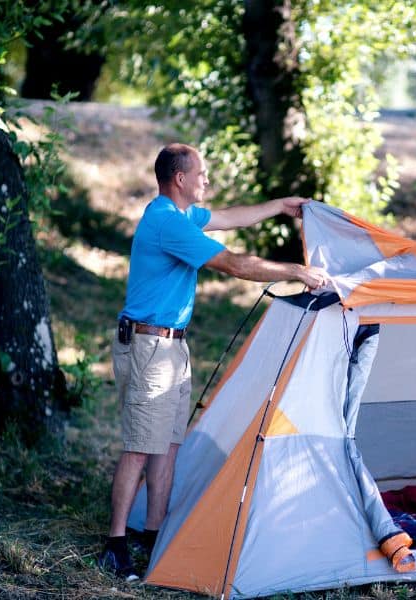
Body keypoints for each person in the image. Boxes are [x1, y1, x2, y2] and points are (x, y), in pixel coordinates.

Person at [98, 143, 328, 580]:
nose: (207, 180)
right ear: (180, 179)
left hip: (170, 348)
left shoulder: (185, 215)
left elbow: (231, 217)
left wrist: (280, 206)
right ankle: (115, 545)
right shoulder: (167, 222)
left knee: (167, 446)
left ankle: (153, 535)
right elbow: (235, 265)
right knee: (141, 447)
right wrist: (296, 271)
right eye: (201, 173)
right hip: (149, 348)